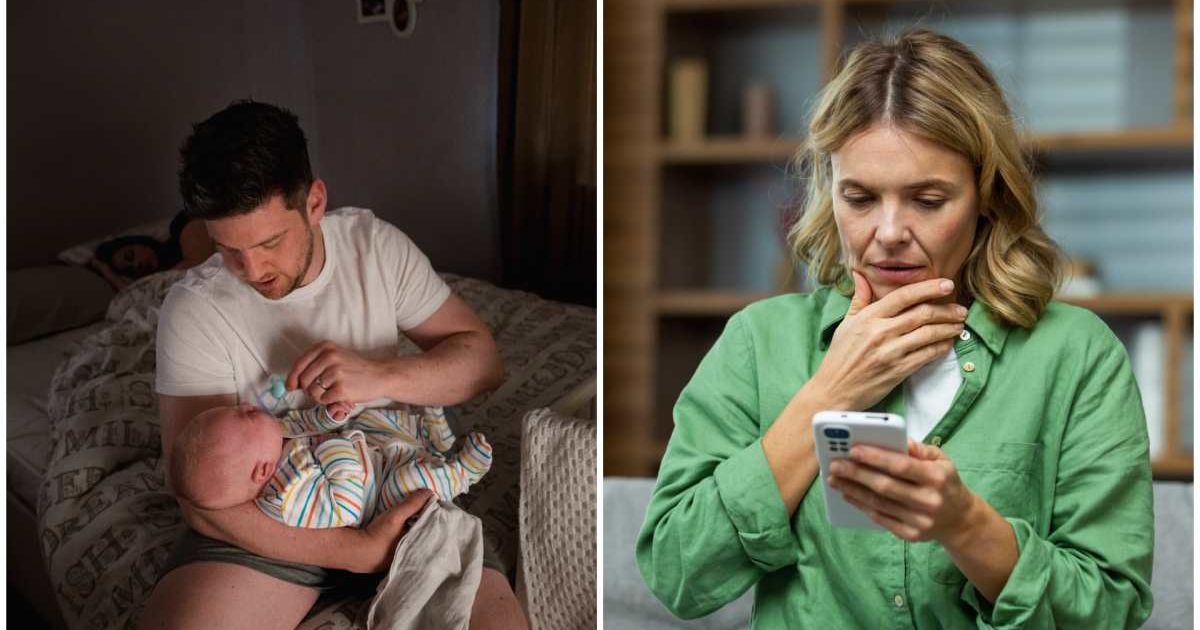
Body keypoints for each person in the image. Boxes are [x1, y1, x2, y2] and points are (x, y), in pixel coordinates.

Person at [636, 29, 1153, 628]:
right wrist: (827, 395)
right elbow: (676, 573)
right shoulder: (759, 342)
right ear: (829, 191)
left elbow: (1112, 606)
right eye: (858, 197)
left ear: (986, 195)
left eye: (928, 201)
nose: (887, 233)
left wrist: (966, 525)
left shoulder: (1075, 355)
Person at [140, 100, 528, 629]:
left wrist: (380, 376)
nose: (252, 270)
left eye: (270, 241)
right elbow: (201, 499)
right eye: (228, 249)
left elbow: (484, 362)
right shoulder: (194, 309)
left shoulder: (375, 248)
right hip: (276, 516)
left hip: (399, 487)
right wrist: (356, 550)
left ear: (315, 201)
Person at [169, 401, 492, 524]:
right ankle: (464, 473)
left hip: (372, 453)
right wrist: (334, 446)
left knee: (371, 418)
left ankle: (431, 438)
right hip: (379, 498)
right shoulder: (287, 499)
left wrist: (327, 416)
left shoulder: (275, 439)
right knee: (411, 485)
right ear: (262, 471)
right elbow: (347, 506)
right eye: (248, 415)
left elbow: (304, 424)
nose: (252, 405)